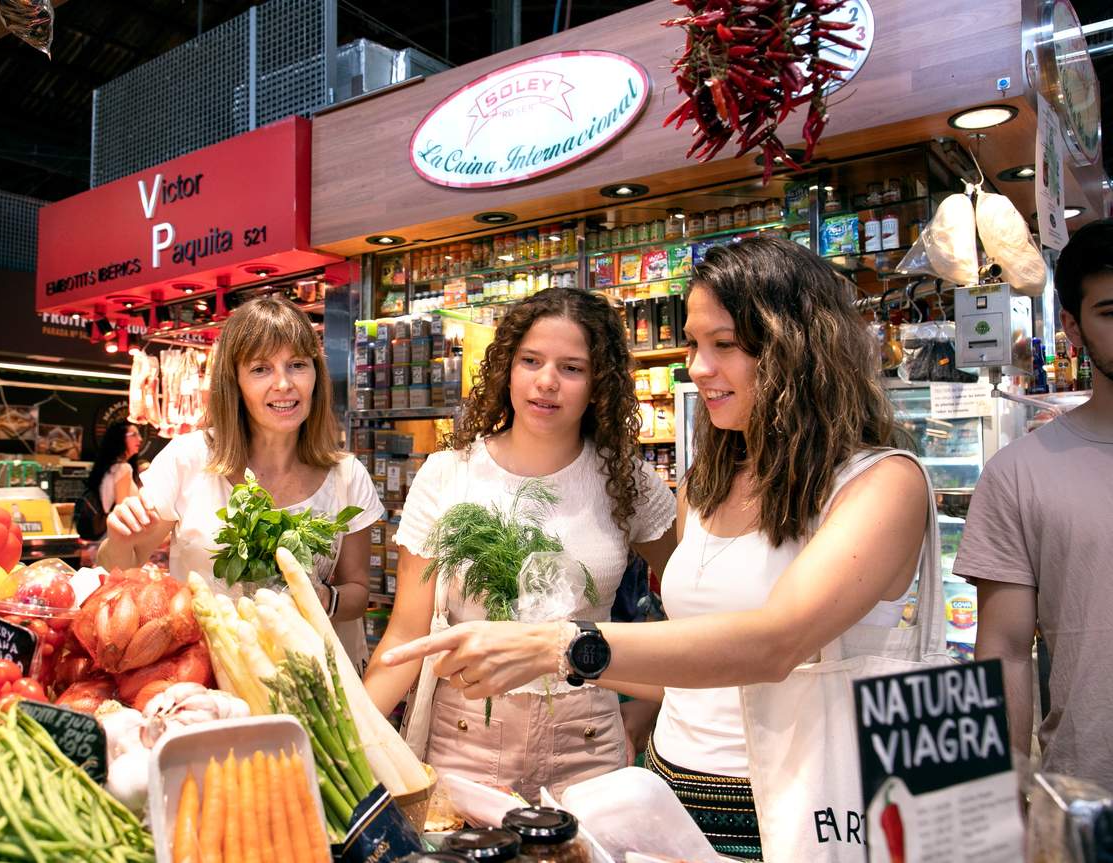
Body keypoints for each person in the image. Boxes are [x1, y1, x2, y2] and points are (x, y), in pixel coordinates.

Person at [382, 238, 930, 859]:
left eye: (723, 345)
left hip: (801, 797)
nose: (696, 367)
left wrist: (558, 647)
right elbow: (687, 640)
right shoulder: (707, 485)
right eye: (695, 344)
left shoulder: (883, 485)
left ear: (798, 349)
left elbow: (776, 642)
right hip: (665, 792)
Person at [363, 287, 678, 803]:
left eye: (572, 368)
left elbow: (693, 603)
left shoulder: (629, 483)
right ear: (507, 367)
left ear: (599, 382)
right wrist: (348, 740)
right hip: (465, 738)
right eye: (531, 360)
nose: (547, 381)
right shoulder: (449, 474)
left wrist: (645, 707)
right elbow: (404, 632)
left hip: (589, 743)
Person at [98, 296, 384, 670]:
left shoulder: (347, 476)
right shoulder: (189, 459)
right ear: (235, 381)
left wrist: (320, 597)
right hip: (206, 673)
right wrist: (120, 536)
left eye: (297, 365)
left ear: (316, 375)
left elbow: (359, 593)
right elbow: (121, 568)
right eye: (261, 369)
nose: (283, 384)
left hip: (313, 679)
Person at [954, 218, 1113, 788]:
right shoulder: (1019, 474)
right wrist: (1006, 800)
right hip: (1088, 800)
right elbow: (1005, 651)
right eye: (1110, 313)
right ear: (1072, 326)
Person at [90, 420, 142, 521]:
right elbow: (122, 511)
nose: (140, 439)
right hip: (118, 531)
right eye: (134, 435)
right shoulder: (123, 468)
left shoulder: (109, 467)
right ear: (120, 438)